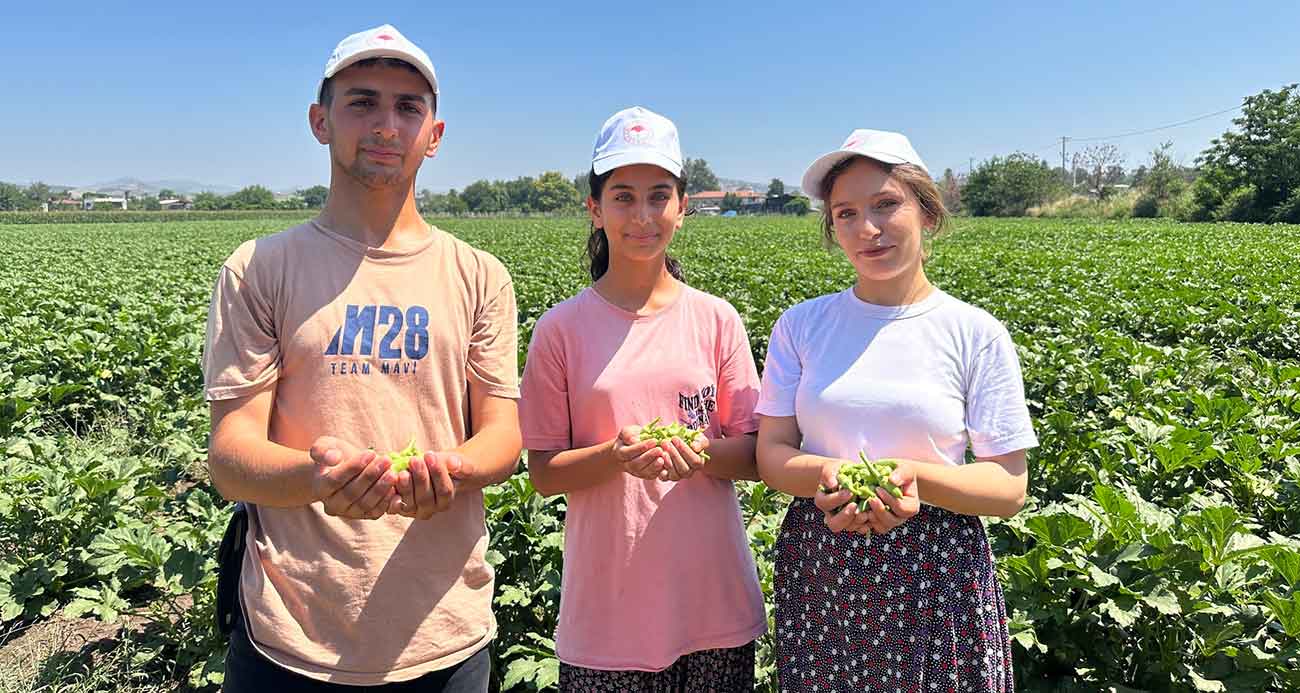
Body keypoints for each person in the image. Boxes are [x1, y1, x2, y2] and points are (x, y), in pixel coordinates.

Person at [203, 24, 522, 691]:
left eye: (409, 107)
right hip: (290, 641)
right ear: (321, 121)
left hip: (443, 636)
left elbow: (503, 435)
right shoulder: (260, 268)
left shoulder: (478, 274)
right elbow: (231, 455)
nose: (386, 123)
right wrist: (316, 477)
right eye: (362, 102)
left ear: (434, 135)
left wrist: (456, 469)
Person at [755, 129, 1038, 691]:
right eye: (846, 213)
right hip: (824, 563)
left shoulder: (973, 333)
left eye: (887, 205)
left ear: (927, 214)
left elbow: (1009, 486)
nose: (867, 228)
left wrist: (913, 480)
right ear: (832, 230)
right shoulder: (801, 326)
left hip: (939, 572)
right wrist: (829, 476)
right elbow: (772, 455)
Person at [519, 106, 766, 691]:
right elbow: (545, 472)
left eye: (659, 196)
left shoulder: (716, 319)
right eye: (623, 197)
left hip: (716, 607)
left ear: (682, 207)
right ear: (596, 209)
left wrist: (700, 454)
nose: (642, 215)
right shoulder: (560, 330)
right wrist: (615, 456)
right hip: (608, 616)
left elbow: (755, 454)